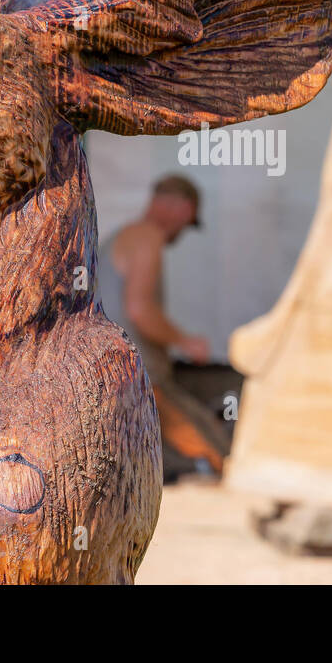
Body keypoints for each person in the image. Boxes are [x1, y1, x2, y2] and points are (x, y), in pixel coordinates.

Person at [97, 174, 231, 477]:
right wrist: (185, 342)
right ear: (185, 210)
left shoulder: (122, 237)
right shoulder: (147, 237)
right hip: (137, 378)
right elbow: (140, 310)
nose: (183, 231)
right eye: (190, 221)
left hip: (120, 376)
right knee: (211, 450)